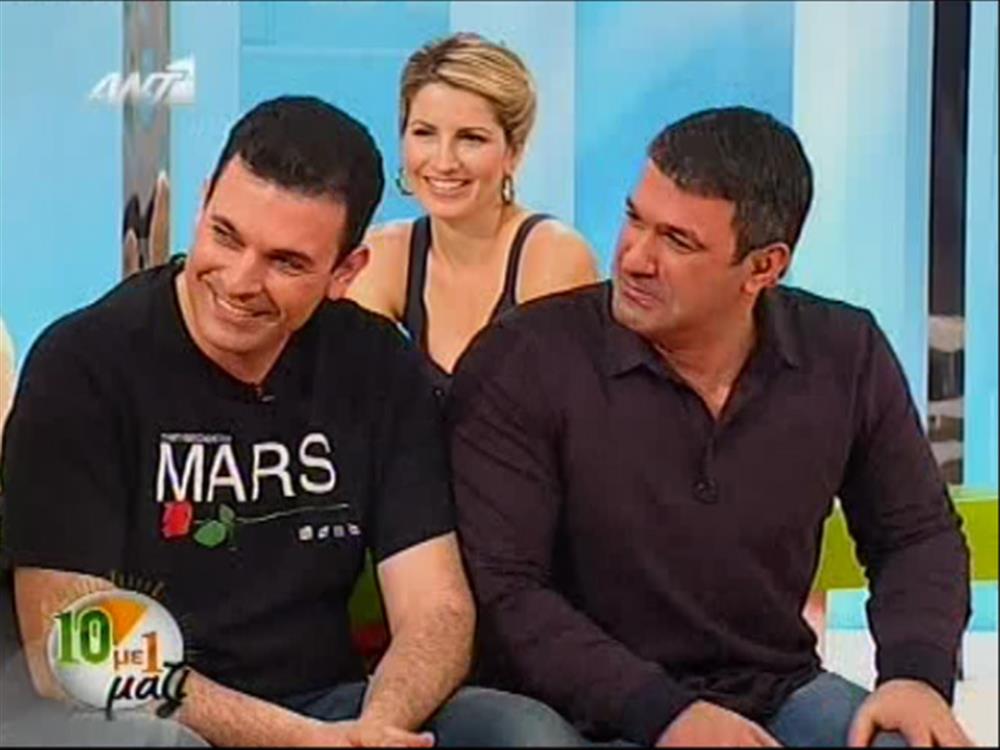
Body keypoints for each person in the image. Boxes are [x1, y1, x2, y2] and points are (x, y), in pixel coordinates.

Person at [1, 96, 583, 747]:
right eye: (225, 236)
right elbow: (72, 646)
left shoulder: (377, 362)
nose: (239, 280)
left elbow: (437, 608)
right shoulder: (83, 362)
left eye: (286, 262)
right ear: (202, 202)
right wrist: (296, 741)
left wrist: (376, 727)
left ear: (346, 272)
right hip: (143, 714)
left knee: (518, 732)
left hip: (328, 706)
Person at [447, 106, 973, 748]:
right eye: (635, 219)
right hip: (564, 705)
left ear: (764, 267)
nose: (635, 258)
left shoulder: (844, 353)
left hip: (771, 692)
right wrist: (664, 713)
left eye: (678, 241)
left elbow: (915, 535)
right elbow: (508, 592)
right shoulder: (523, 359)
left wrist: (915, 677)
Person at [346, 32, 598, 399]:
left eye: (471, 138)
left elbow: (562, 414)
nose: (444, 161)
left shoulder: (553, 256)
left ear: (513, 152)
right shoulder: (383, 254)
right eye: (424, 133)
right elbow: (352, 400)